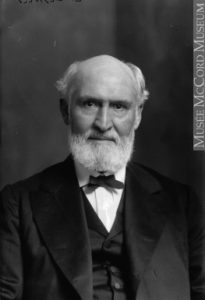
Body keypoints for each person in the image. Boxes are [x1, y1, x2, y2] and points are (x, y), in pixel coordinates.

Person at [0, 55, 204, 300]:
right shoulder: (18, 204)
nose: (104, 123)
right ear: (65, 110)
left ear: (137, 115)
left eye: (119, 106)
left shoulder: (182, 204)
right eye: (89, 104)